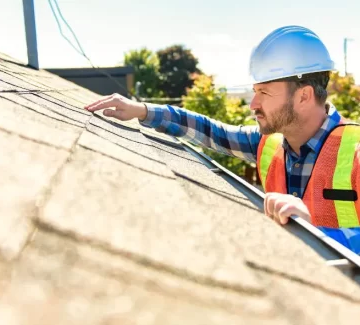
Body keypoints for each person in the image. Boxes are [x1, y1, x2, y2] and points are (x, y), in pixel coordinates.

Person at [85, 25, 360, 253]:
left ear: (303, 96)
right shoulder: (269, 146)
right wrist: (144, 110)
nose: (253, 104)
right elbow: (211, 132)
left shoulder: (356, 153)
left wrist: (317, 233)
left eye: (264, 93)